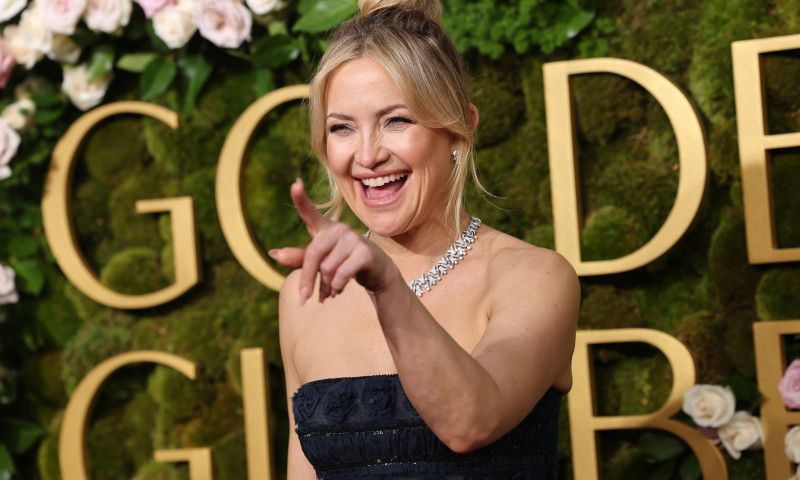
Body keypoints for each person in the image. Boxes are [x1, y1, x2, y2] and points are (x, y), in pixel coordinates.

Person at [268, 0, 580, 477]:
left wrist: (386, 284)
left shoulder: (534, 277)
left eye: (397, 120)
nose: (368, 155)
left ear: (459, 128)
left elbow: (470, 422)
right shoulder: (303, 298)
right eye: (342, 128)